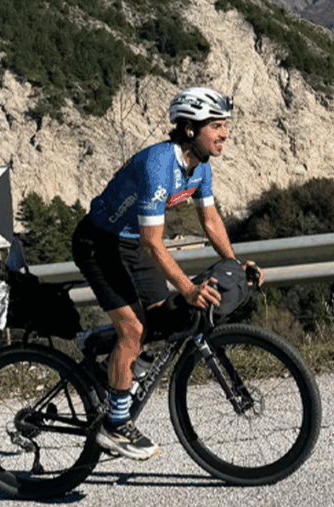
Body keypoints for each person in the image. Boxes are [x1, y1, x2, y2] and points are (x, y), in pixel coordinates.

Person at [71, 87, 261, 460]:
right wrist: (189, 288)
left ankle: (101, 346)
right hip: (99, 243)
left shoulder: (200, 166)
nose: (224, 134)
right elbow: (154, 244)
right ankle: (115, 426)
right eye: (217, 127)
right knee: (134, 331)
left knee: (163, 321)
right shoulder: (159, 165)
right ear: (190, 130)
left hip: (134, 245)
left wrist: (235, 263)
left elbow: (209, 219)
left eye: (225, 126)